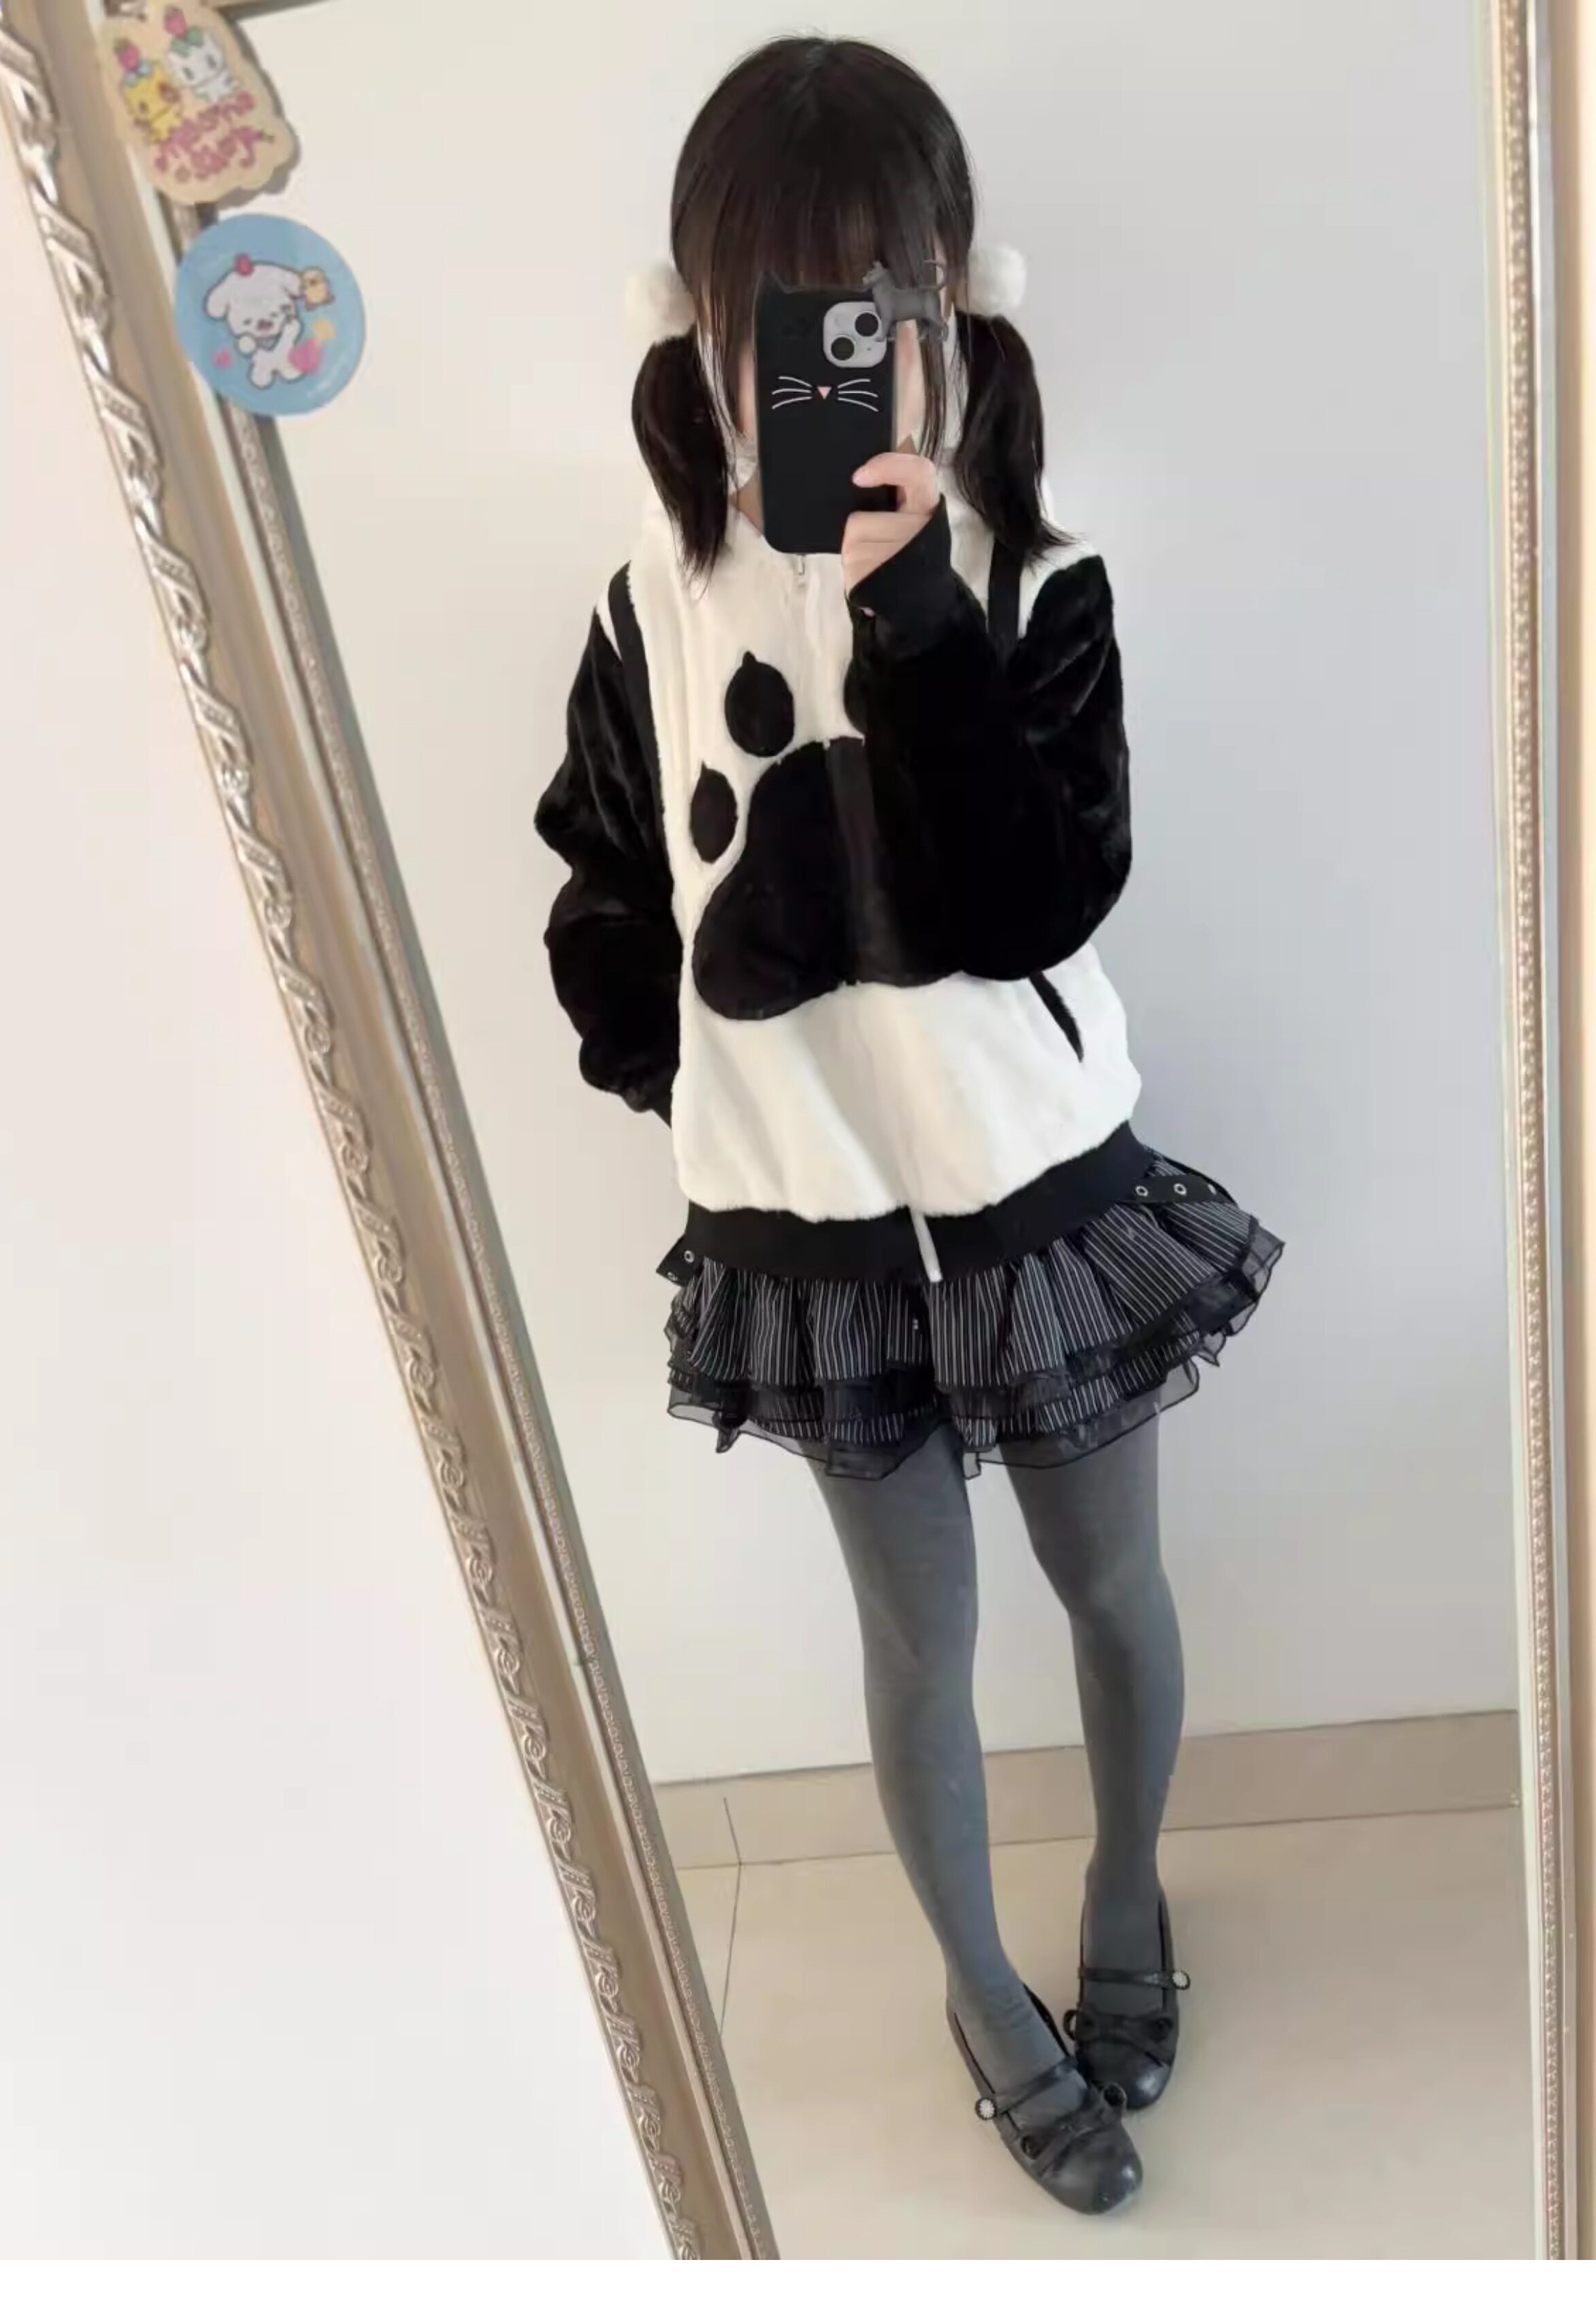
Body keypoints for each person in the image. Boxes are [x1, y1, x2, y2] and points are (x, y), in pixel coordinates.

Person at [535, 34, 1281, 2215]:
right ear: (705, 314)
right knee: (918, 1646)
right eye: (778, 301)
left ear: (948, 293)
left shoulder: (1039, 575)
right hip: (814, 1238)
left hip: (1044, 1195)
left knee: (1112, 1581)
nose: (823, 345)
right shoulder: (646, 604)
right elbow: (601, 878)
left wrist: (914, 607)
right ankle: (981, 1990)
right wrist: (685, 1077)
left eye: (870, 295)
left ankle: (1126, 1890)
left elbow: (1046, 893)